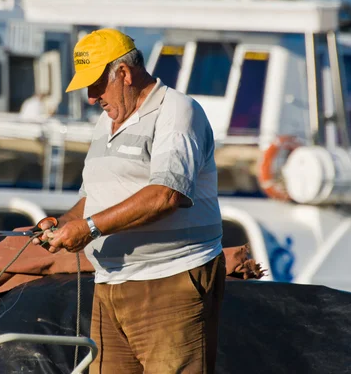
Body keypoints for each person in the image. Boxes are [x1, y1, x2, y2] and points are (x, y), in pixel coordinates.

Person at [34, 28, 226, 373]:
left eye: (96, 84)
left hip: (170, 280)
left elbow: (168, 194)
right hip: (110, 284)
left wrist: (89, 229)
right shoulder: (106, 122)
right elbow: (91, 199)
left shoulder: (176, 111)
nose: (92, 97)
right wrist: (63, 225)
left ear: (123, 73)